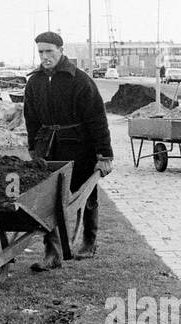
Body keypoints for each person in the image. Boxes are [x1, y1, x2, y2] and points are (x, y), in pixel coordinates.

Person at [23, 32, 113, 269]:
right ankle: (52, 253)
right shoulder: (34, 82)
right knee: (49, 198)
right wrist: (34, 148)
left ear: (61, 51)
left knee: (87, 193)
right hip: (48, 149)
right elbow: (30, 119)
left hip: (80, 148)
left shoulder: (79, 80)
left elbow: (97, 119)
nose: (45, 57)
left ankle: (89, 242)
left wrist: (104, 155)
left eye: (49, 51)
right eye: (41, 52)